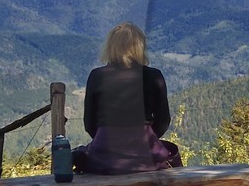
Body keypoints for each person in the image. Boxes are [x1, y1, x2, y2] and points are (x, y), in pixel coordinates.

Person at [72, 22, 183, 174]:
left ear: (110, 46)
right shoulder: (154, 76)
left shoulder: (97, 76)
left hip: (105, 156)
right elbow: (163, 121)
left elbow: (89, 124)